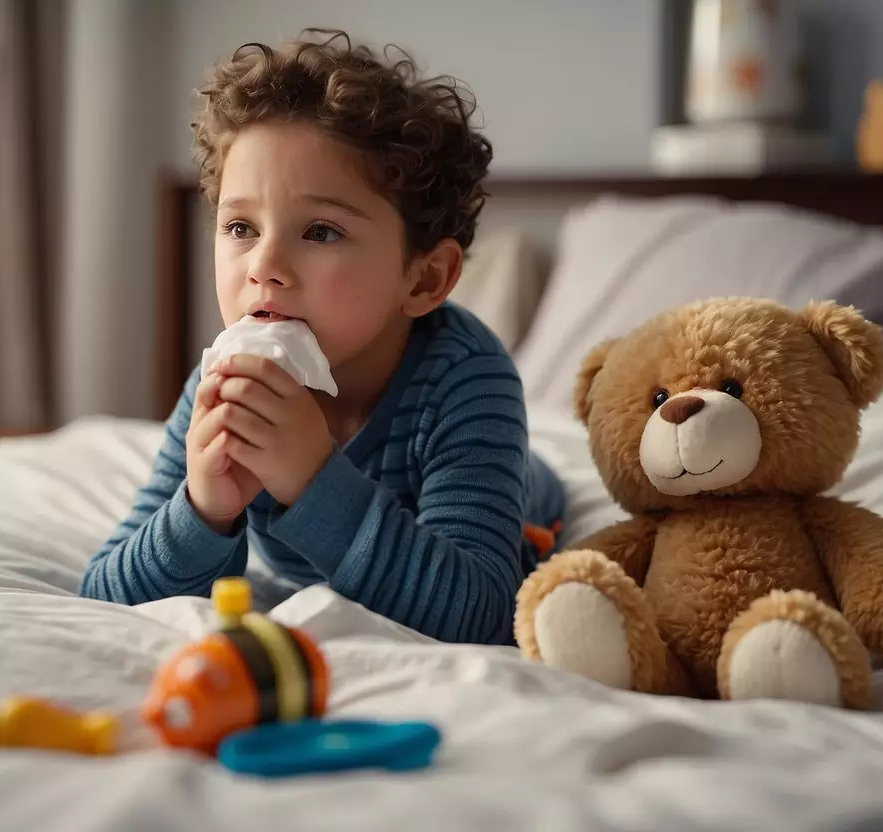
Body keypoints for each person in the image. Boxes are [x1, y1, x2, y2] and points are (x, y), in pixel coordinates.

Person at [80, 29, 566, 645]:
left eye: (320, 232)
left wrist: (312, 479)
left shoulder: (467, 381)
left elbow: (481, 614)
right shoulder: (225, 386)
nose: (264, 265)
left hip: (526, 504)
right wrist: (204, 509)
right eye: (239, 226)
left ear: (424, 278)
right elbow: (101, 596)